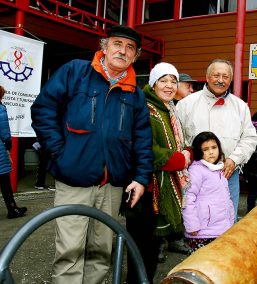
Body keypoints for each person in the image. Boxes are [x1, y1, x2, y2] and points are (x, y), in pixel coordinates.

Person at [30, 25, 153, 284]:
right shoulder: (75, 71)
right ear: (104, 46)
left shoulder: (136, 94)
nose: (123, 50)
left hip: (112, 186)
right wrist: (60, 153)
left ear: (136, 55)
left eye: (130, 47)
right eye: (117, 44)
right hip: (74, 180)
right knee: (69, 252)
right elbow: (43, 110)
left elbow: (142, 139)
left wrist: (141, 178)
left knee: (101, 254)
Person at [125, 62, 192, 282]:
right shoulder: (145, 108)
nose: (169, 85)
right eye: (163, 80)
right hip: (145, 188)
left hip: (159, 186)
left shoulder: (168, 109)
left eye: (173, 81)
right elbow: (144, 148)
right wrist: (178, 159)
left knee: (151, 249)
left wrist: (186, 152)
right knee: (141, 247)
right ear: (153, 84)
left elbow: (174, 143)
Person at [176, 59, 257, 221]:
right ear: (207, 77)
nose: (220, 80)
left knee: (227, 222)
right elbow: (177, 139)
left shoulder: (240, 106)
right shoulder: (186, 104)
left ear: (231, 80)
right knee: (196, 222)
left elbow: (249, 138)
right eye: (216, 75)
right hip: (195, 176)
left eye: (225, 76)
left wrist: (234, 159)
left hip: (228, 175)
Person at [183, 131, 234, 253]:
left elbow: (226, 198)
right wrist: (191, 225)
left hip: (221, 230)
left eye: (214, 147)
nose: (211, 152)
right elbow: (188, 197)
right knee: (200, 267)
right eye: (205, 149)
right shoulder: (196, 170)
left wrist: (231, 221)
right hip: (202, 233)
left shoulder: (219, 169)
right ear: (199, 151)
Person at [0, 85, 27, 219]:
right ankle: (12, 209)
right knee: (5, 183)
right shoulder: (0, 109)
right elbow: (5, 134)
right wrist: (8, 148)